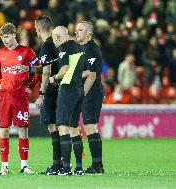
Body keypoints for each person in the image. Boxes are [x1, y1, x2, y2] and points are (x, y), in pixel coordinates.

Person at [0, 23, 40, 175]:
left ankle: (24, 165)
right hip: (4, 96)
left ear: (14, 35)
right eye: (2, 38)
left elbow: (39, 69)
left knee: (22, 130)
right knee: (4, 130)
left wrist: (31, 86)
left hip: (20, 95)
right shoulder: (0, 53)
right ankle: (4, 166)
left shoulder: (27, 52)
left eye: (6, 37)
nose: (4, 40)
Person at [49, 26, 84, 175]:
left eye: (53, 38)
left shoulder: (63, 47)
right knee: (74, 128)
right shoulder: (79, 46)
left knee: (62, 126)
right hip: (79, 89)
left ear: (57, 37)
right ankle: (79, 167)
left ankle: (66, 168)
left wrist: (54, 78)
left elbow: (64, 69)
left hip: (68, 88)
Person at [75, 21, 104, 174]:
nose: (76, 32)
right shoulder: (82, 49)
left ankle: (97, 165)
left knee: (90, 126)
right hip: (87, 91)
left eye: (80, 30)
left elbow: (92, 75)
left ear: (88, 33)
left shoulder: (92, 49)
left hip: (92, 92)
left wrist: (82, 94)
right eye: (76, 29)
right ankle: (97, 165)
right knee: (89, 126)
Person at [34, 15, 62, 175]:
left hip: (51, 90)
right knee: (62, 126)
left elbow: (47, 71)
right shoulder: (58, 44)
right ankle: (64, 163)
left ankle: (56, 164)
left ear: (38, 29)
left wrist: (41, 94)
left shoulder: (46, 46)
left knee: (52, 126)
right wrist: (32, 69)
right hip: (62, 88)